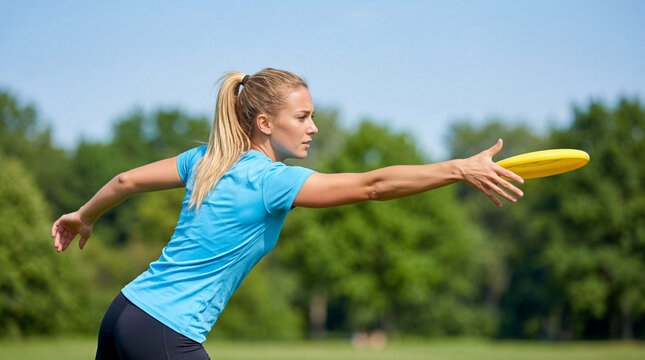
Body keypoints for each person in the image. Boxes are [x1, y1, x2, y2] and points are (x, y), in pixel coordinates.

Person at [51, 68, 524, 360]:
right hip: (163, 330)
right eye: (302, 118)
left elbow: (124, 182)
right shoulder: (269, 180)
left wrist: (84, 216)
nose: (313, 128)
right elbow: (373, 187)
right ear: (264, 123)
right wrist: (457, 169)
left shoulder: (207, 160)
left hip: (123, 313)